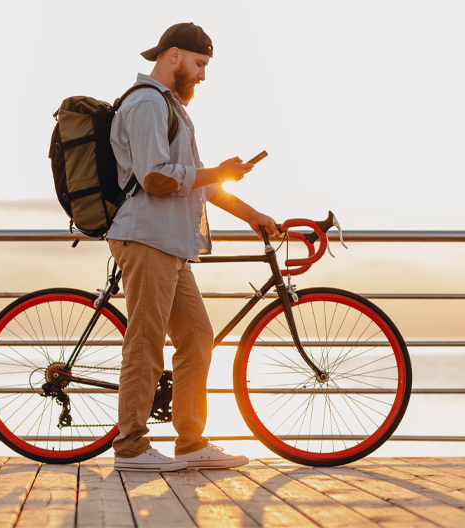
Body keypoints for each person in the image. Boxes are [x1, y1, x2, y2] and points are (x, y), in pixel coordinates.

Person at [108, 22, 280, 471]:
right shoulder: (147, 103)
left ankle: (190, 442)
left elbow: (199, 182)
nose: (203, 75)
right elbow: (157, 178)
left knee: (198, 338)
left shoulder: (173, 110)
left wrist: (253, 215)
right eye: (200, 64)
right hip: (146, 237)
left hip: (171, 243)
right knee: (146, 341)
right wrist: (216, 171)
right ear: (174, 56)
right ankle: (130, 447)